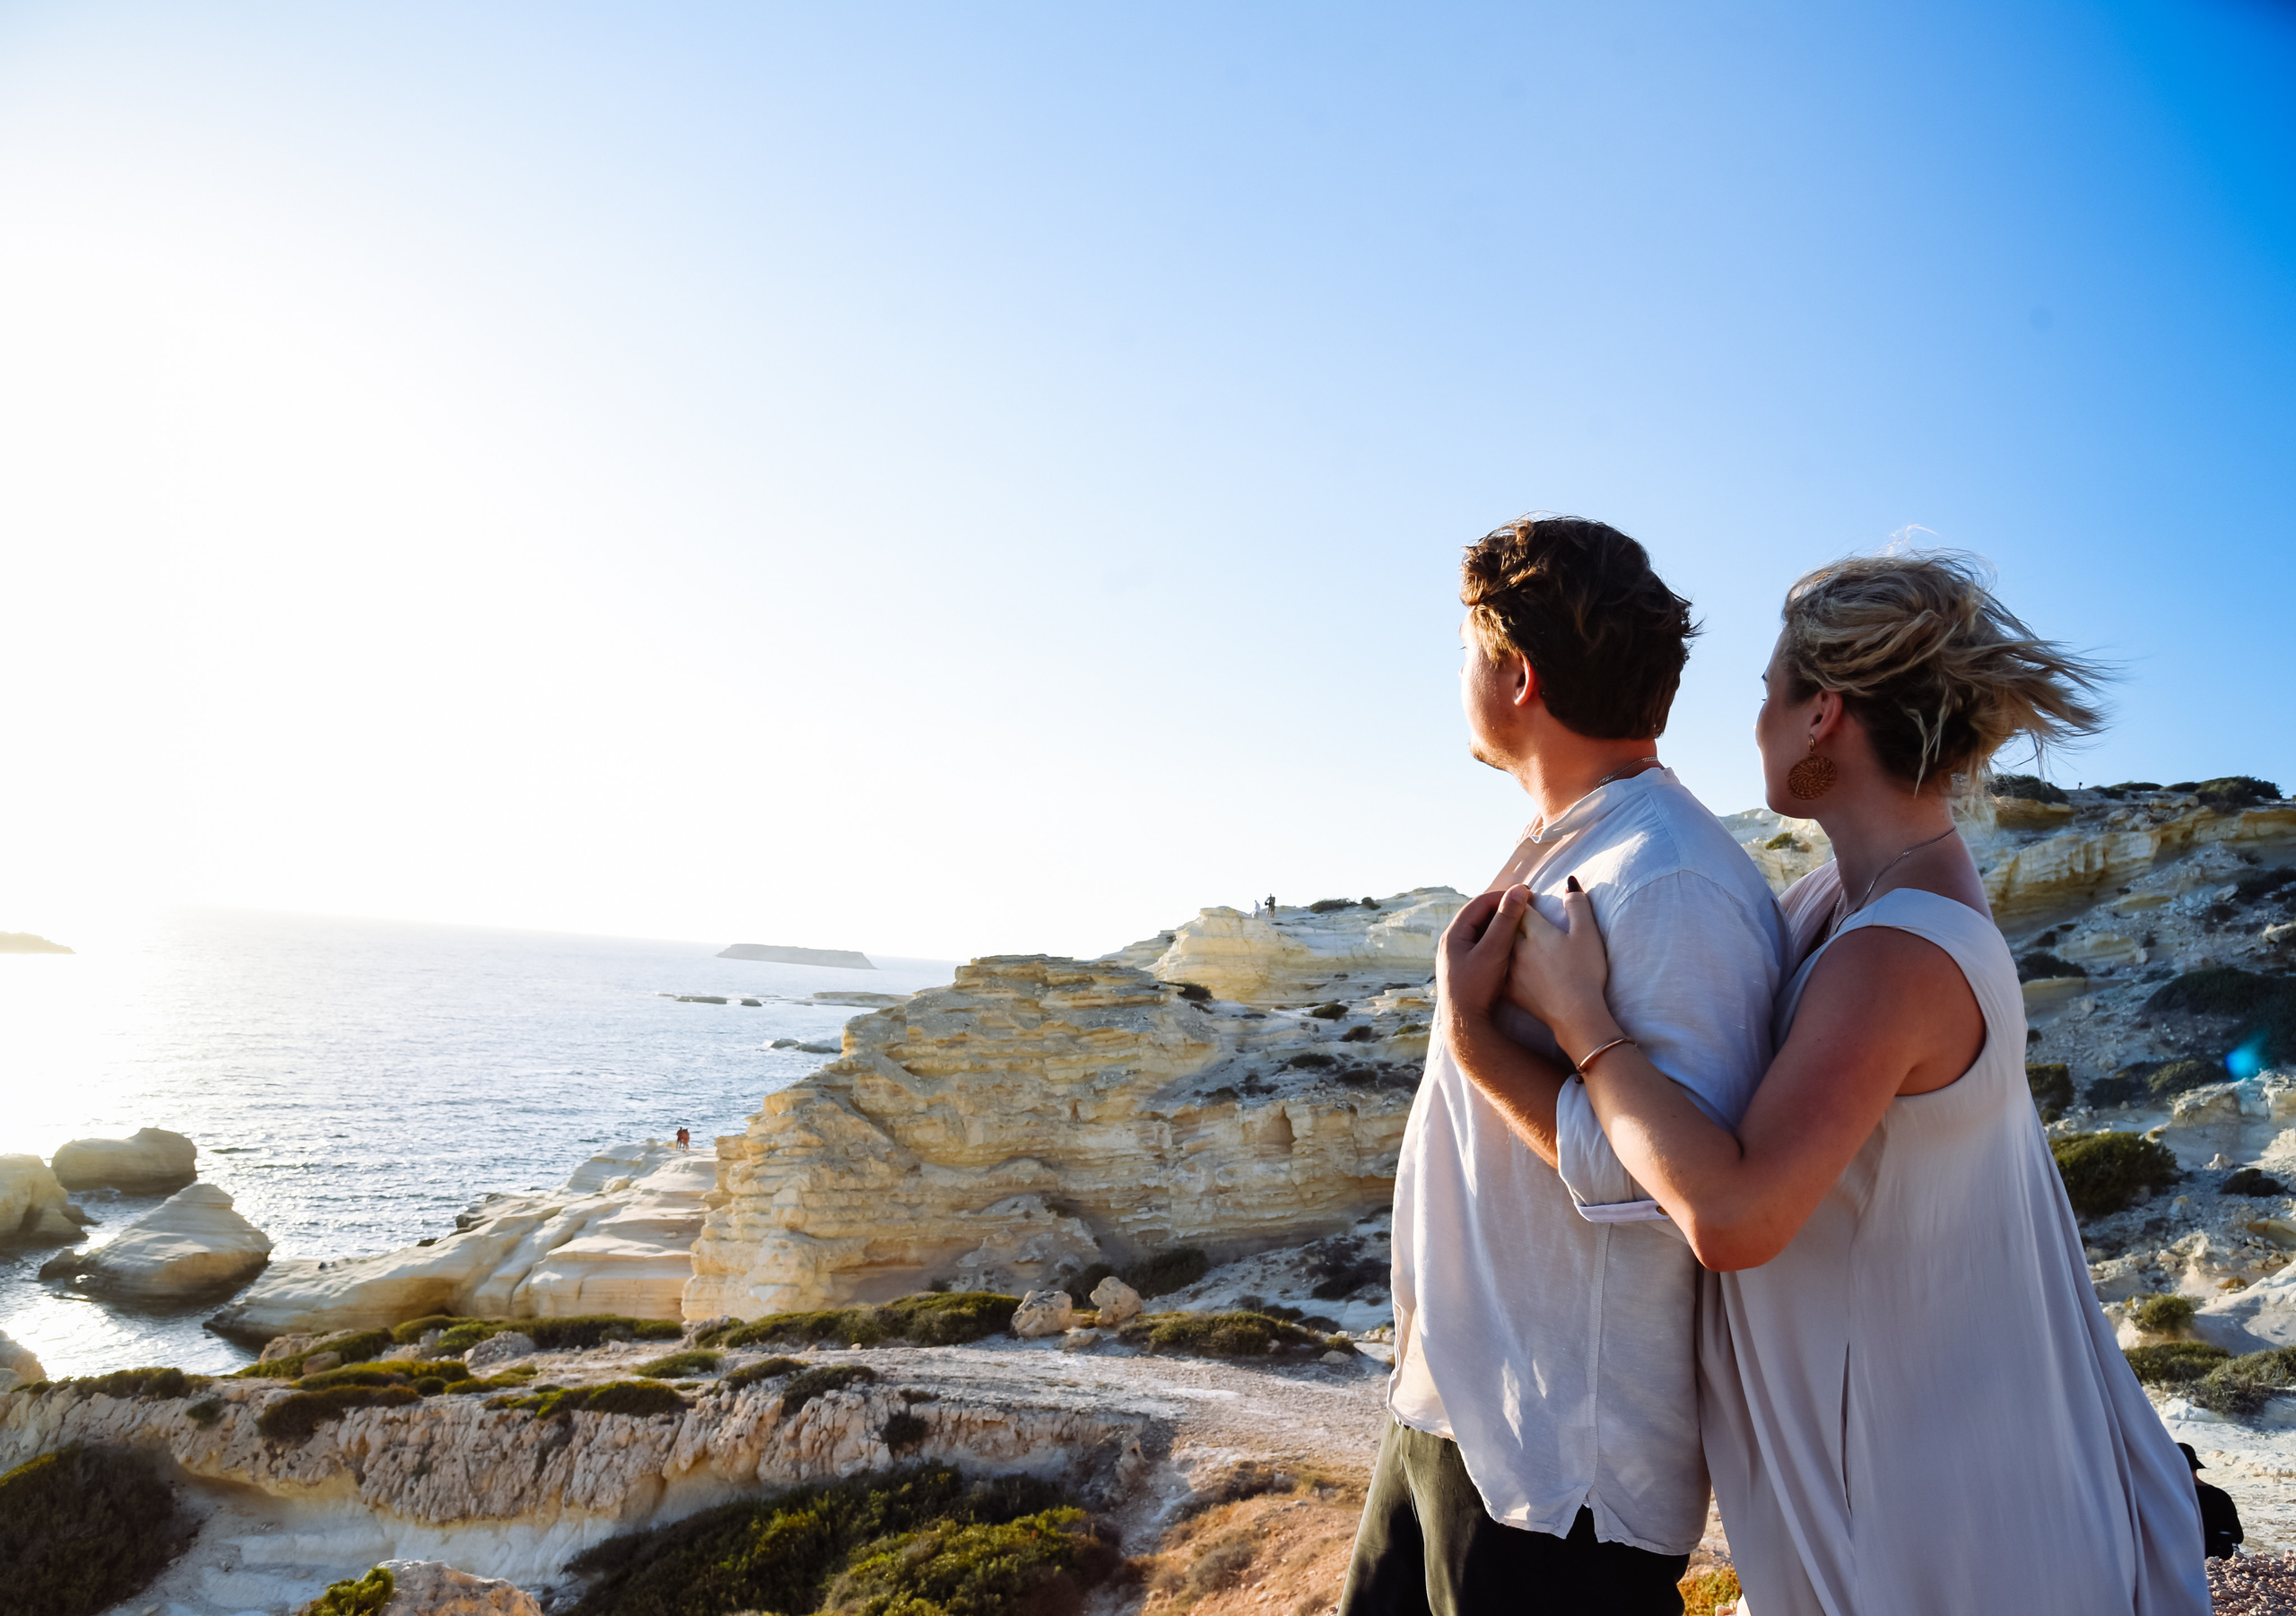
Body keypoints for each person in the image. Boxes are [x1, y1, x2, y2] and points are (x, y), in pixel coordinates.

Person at [1504, 552, 2209, 1614]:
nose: (1755, 721)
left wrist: (1583, 1022)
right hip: (1913, 1473)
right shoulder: (1846, 896)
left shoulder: (1895, 956)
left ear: (1821, 713)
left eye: (1765, 690)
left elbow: (1735, 1215)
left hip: (1940, 1523)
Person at [1337, 516, 1785, 1616]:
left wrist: (1480, 1043)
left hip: (1556, 1491)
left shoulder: (1665, 878)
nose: (1457, 676)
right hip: (1458, 1421)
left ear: (1519, 674)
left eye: (1464, 650)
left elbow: (1676, 1186)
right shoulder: (1586, 842)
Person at [2180, 1444, 2244, 1560]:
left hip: (2181, 1564)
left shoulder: (2171, 1499)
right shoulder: (2220, 1496)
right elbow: (2238, 1537)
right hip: (2214, 1562)